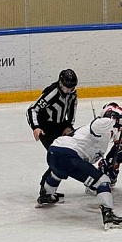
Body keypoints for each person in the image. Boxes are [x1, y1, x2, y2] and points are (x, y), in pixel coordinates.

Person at [38, 111, 122, 230]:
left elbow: (85, 163)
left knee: (58, 173)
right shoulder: (100, 126)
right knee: (102, 181)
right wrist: (118, 120)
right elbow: (98, 124)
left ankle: (47, 195)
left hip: (54, 153)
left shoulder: (90, 136)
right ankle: (109, 215)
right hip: (68, 155)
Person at [27, 69, 78, 199]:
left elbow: (72, 110)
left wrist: (68, 126)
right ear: (60, 83)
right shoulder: (52, 93)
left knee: (65, 155)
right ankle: (45, 190)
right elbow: (32, 109)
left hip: (60, 126)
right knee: (58, 157)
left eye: (71, 88)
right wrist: (36, 127)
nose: (69, 91)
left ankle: (48, 188)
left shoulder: (72, 93)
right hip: (46, 128)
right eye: (66, 88)